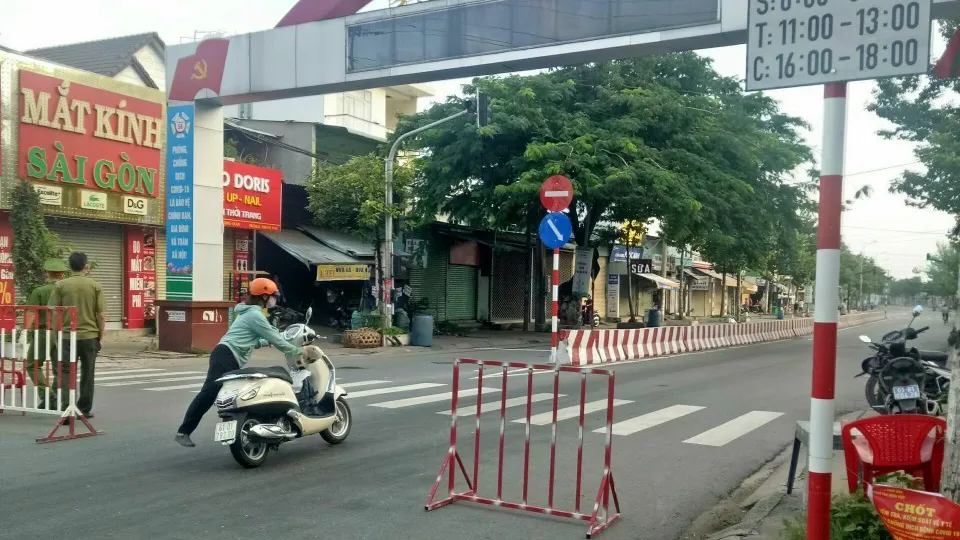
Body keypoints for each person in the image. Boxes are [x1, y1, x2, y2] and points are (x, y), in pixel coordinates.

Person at [175, 277, 304, 448]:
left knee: (237, 394)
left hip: (227, 355)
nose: (275, 300)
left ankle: (263, 431)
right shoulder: (255, 315)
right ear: (264, 297)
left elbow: (254, 340)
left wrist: (269, 341)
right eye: (273, 296)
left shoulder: (249, 313)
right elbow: (275, 339)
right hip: (226, 356)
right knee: (209, 393)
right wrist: (299, 351)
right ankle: (183, 431)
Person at [47, 252, 105, 417]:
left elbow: (54, 312)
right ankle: (84, 409)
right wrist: (100, 335)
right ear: (86, 267)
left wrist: (55, 335)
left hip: (66, 337)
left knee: (65, 372)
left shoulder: (60, 285)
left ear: (69, 267)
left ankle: (67, 408)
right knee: (88, 372)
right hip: (89, 337)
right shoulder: (95, 286)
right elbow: (101, 315)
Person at [22, 258, 68, 407]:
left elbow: (30, 313)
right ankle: (53, 395)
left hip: (44, 333)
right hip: (62, 333)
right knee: (59, 367)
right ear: (62, 275)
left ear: (47, 274)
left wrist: (24, 332)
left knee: (32, 365)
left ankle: (47, 395)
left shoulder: (39, 291)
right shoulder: (66, 291)